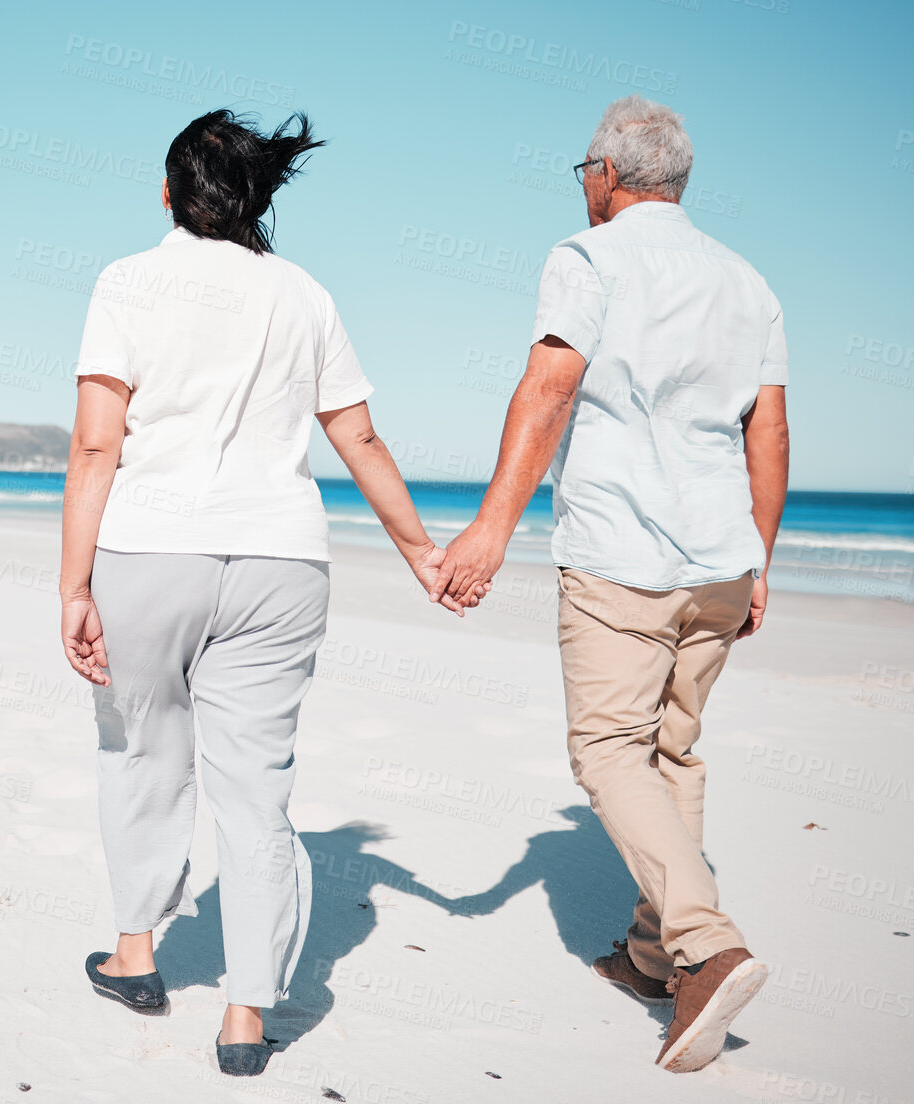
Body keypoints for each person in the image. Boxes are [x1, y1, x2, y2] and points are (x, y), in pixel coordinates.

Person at [59, 110, 481, 1078]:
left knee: (138, 753)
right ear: (258, 198)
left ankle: (135, 957)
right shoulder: (304, 295)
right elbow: (357, 439)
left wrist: (72, 582)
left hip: (148, 550)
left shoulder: (126, 281)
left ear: (168, 193)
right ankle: (244, 1020)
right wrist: (419, 552)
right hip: (280, 565)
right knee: (256, 794)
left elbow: (94, 444)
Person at [435, 96, 789, 1074]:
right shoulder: (747, 283)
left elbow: (548, 385)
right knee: (670, 755)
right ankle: (648, 959)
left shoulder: (584, 257)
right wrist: (760, 556)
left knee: (605, 753)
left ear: (604, 174)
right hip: (720, 560)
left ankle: (704, 948)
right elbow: (767, 431)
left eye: (579, 173)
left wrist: (489, 530)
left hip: (620, 558)